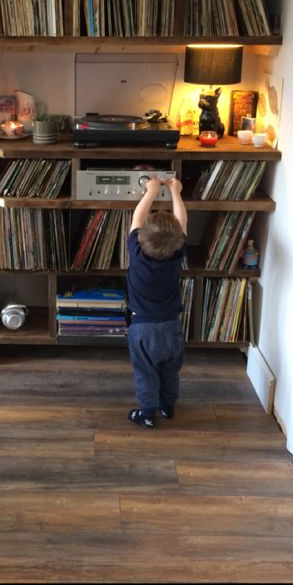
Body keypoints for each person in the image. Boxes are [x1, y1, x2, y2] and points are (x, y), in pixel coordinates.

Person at [126, 176, 188, 429]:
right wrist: (176, 192)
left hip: (142, 329)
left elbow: (136, 220)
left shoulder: (137, 254)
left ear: (140, 239)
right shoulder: (176, 257)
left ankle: (148, 412)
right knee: (169, 372)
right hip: (172, 328)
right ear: (178, 243)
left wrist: (149, 192)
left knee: (146, 372)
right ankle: (168, 406)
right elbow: (182, 223)